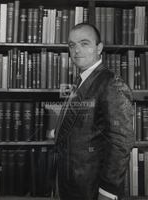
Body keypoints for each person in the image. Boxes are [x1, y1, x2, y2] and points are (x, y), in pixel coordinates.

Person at [54, 23, 134, 200]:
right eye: (72, 45)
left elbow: (121, 143)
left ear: (99, 48)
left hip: (91, 187)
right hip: (72, 183)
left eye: (84, 43)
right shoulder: (81, 80)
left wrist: (108, 192)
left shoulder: (111, 83)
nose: (76, 50)